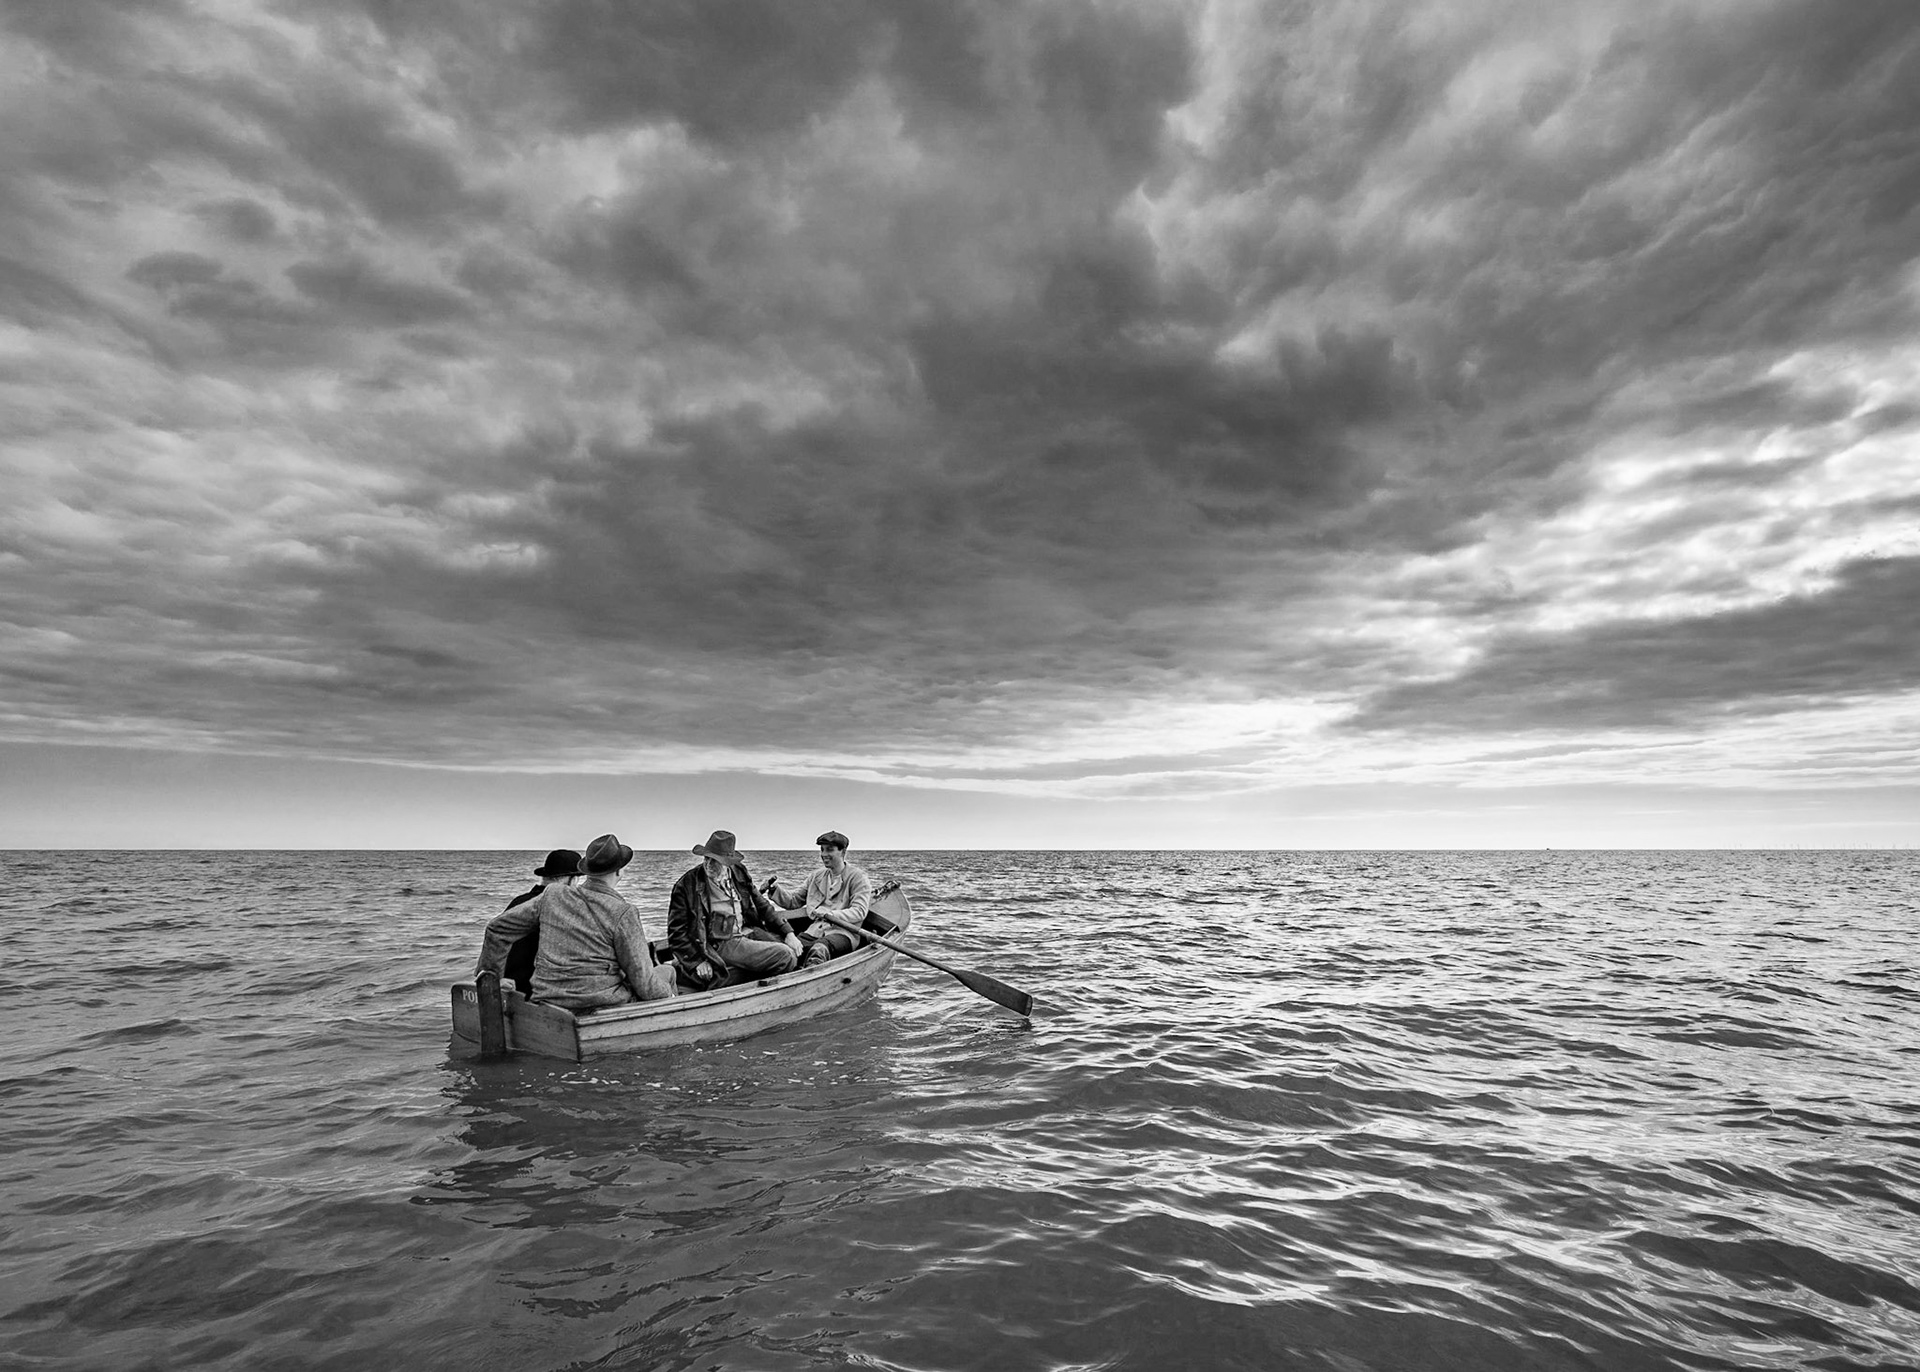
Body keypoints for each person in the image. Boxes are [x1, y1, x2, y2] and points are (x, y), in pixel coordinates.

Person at [475, 833, 676, 1010]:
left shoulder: (552, 895)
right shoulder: (624, 912)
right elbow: (644, 983)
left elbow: (496, 929)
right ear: (619, 871)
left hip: (548, 1001)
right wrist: (669, 995)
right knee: (667, 972)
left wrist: (492, 980)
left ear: (587, 871)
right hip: (602, 1004)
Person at [667, 830, 801, 988]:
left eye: (715, 860)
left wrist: (788, 932)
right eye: (707, 858)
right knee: (785, 956)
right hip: (719, 943)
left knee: (794, 950)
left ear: (727, 862)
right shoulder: (686, 884)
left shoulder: (739, 872)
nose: (708, 864)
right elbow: (676, 933)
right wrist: (696, 961)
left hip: (747, 931)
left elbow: (762, 905)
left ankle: (735, 978)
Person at [765, 830, 873, 966]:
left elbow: (859, 911)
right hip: (814, 932)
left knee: (819, 949)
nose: (824, 854)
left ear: (843, 852)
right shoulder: (816, 876)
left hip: (843, 933)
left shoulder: (858, 878)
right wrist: (774, 890)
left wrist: (830, 914)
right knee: (787, 952)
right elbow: (794, 901)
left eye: (829, 850)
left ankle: (813, 975)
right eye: (822, 850)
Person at [498, 849, 581, 995]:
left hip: (506, 985)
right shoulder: (559, 907)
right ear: (572, 880)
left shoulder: (518, 902)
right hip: (533, 991)